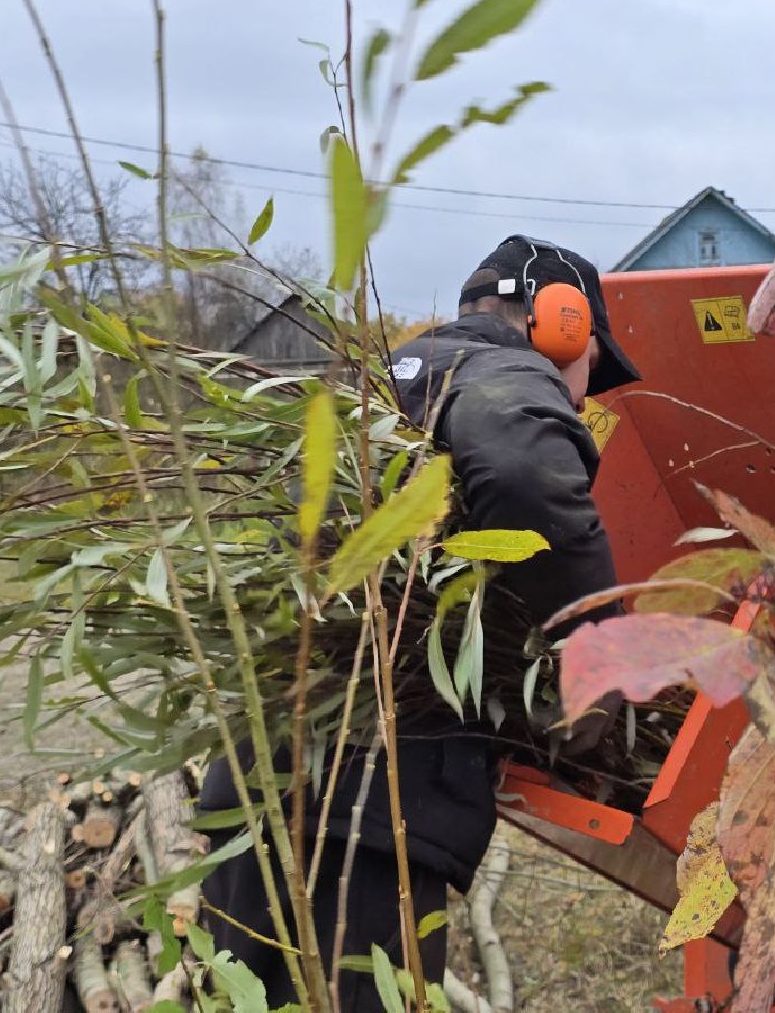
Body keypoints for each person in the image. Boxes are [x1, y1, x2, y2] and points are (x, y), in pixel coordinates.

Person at [198, 234, 641, 1009]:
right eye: (591, 373)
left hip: (268, 765)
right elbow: (518, 473)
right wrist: (592, 666)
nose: (581, 401)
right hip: (370, 797)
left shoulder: (378, 382)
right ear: (563, 323)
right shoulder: (503, 375)